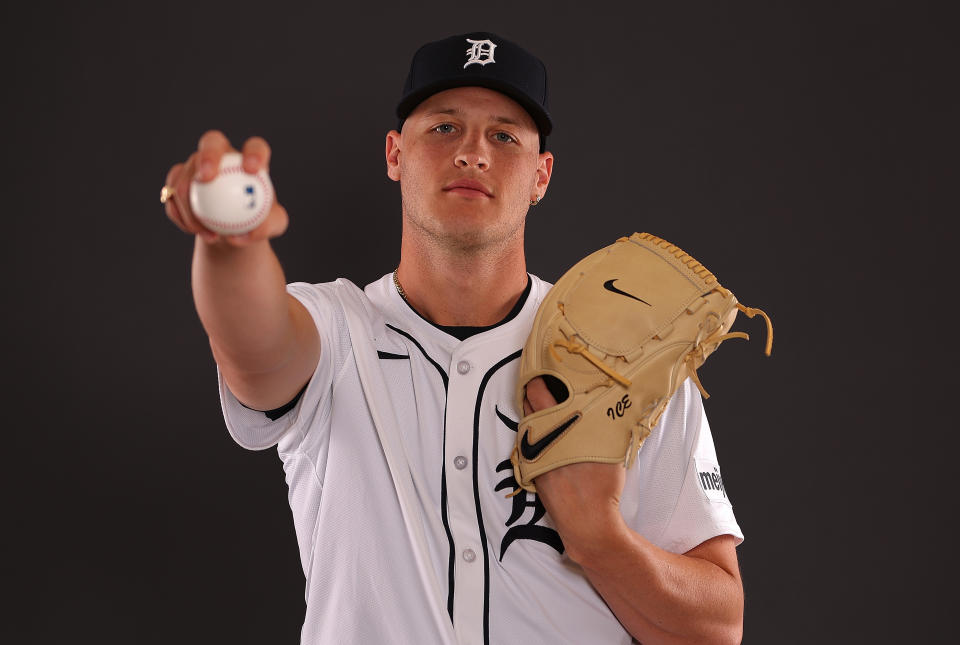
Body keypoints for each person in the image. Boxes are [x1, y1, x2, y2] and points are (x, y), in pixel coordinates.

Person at [162, 32, 745, 645]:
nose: (472, 153)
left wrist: (599, 538)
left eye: (504, 136)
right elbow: (254, 342)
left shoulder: (626, 355)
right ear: (395, 154)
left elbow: (717, 626)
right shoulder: (336, 330)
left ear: (541, 174)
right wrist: (231, 243)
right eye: (443, 128)